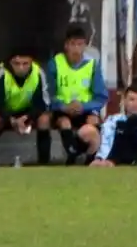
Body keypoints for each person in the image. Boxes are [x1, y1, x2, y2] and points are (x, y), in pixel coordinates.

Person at [45, 26, 109, 166]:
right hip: (63, 110)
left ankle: (90, 158)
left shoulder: (92, 65)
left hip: (84, 109)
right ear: (66, 45)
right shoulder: (55, 63)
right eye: (73, 44)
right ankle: (72, 155)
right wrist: (63, 106)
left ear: (85, 46)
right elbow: (49, 94)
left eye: (80, 44)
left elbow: (101, 97)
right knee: (64, 122)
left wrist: (84, 106)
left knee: (93, 121)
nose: (76, 49)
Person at [0, 48, 53, 167]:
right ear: (10, 62)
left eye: (25, 64)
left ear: (31, 62)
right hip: (5, 111)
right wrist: (11, 120)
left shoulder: (38, 72)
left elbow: (43, 103)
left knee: (44, 119)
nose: (21, 68)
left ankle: (43, 164)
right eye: (17, 64)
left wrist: (27, 118)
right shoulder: (1, 73)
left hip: (26, 112)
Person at [91, 83, 137, 167]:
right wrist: (102, 161)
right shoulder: (113, 121)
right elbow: (105, 144)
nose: (136, 104)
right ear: (124, 101)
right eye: (132, 99)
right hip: (112, 163)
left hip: (134, 164)